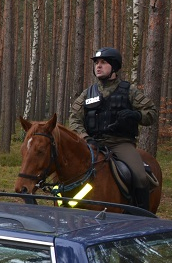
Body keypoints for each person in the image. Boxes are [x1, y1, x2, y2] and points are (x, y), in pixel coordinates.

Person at [68, 47, 158, 211]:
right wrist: (85, 137)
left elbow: (151, 113)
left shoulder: (129, 91)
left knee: (139, 176)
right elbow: (74, 118)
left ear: (114, 67)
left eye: (103, 62)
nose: (98, 66)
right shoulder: (87, 93)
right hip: (91, 144)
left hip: (120, 144)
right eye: (96, 63)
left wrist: (136, 115)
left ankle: (142, 214)